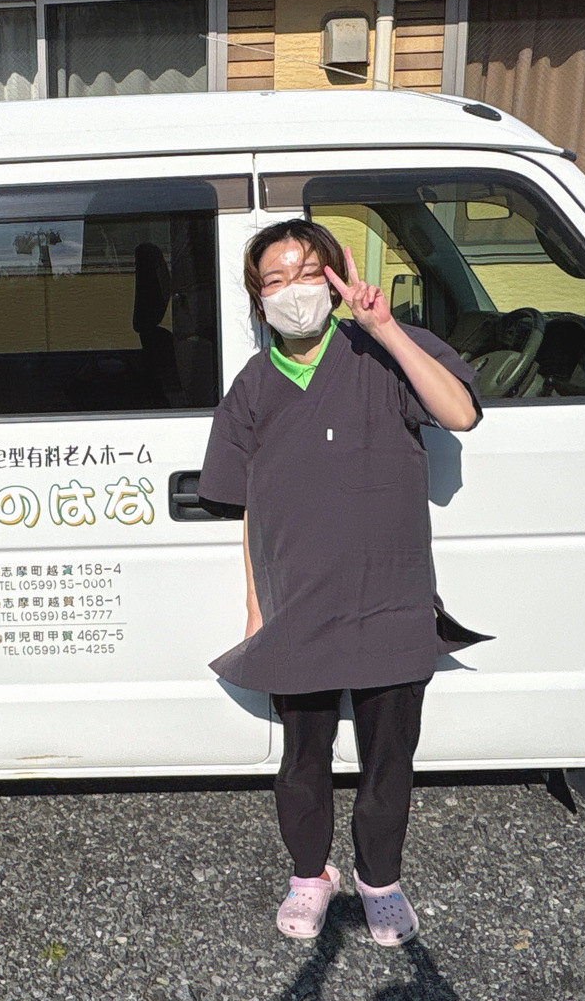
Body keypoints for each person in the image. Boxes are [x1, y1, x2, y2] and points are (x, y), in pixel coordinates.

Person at [197, 219, 484, 947]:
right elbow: (249, 509)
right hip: (300, 607)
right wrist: (259, 610)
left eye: (307, 273)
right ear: (258, 299)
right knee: (303, 759)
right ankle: (309, 876)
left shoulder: (378, 353)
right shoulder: (253, 386)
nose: (292, 291)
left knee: (390, 760)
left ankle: (380, 881)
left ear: (334, 278)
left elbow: (460, 412)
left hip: (391, 600)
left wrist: (385, 328)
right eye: (274, 280)